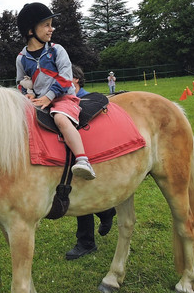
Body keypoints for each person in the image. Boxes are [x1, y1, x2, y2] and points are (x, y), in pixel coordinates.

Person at [16, 2, 95, 180]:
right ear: (30, 31)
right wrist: (27, 94)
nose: (52, 29)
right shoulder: (21, 58)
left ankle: (82, 160)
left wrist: (48, 97)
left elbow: (65, 78)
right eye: (47, 25)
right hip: (38, 101)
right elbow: (21, 82)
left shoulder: (56, 50)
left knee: (60, 118)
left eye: (51, 24)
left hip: (63, 98)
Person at [66, 66, 116, 260]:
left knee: (81, 192)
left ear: (76, 80)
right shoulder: (63, 99)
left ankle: (86, 242)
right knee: (80, 191)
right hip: (73, 152)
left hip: (90, 152)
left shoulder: (89, 100)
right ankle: (106, 211)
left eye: (65, 77)